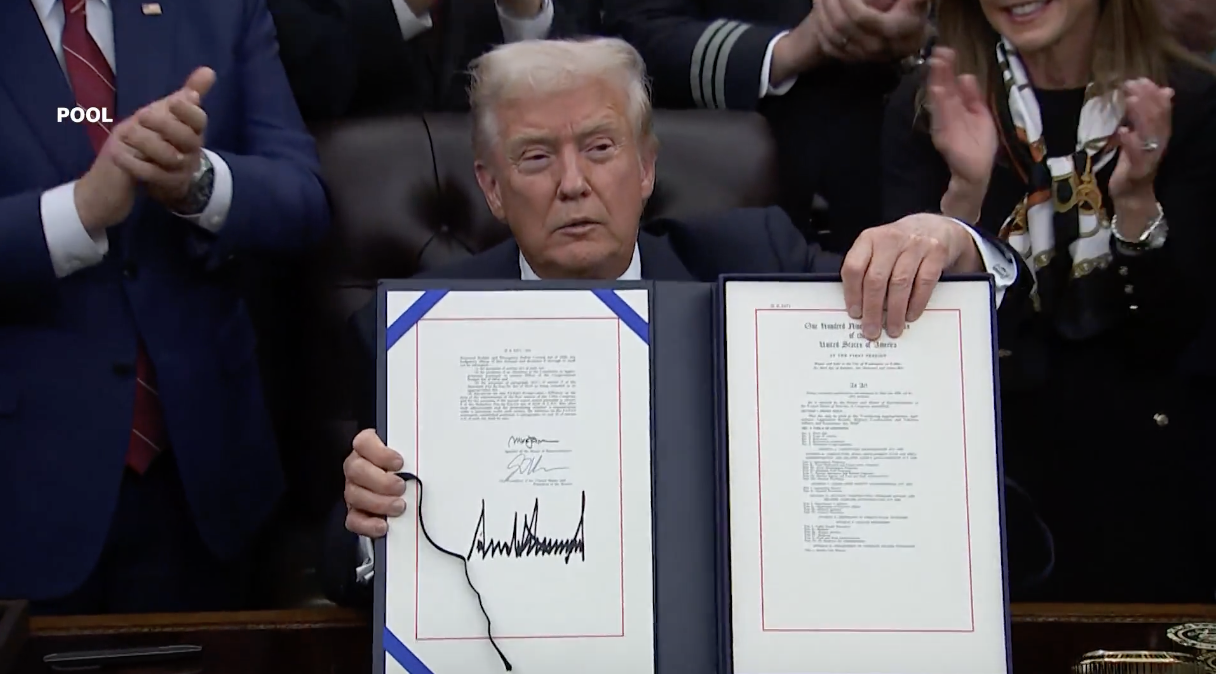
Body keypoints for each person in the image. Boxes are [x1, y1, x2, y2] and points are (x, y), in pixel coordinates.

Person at [317, 37, 1032, 606]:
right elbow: (339, 559)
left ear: (646, 168)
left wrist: (953, 239)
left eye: (600, 148)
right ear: (492, 188)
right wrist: (370, 525)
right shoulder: (417, 331)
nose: (573, 184)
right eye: (535, 157)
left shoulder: (755, 261)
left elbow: (905, 326)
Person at [0, 0, 329, 613]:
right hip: (26, 490)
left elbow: (303, 200)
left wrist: (197, 182)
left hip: (207, 479)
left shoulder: (218, 10)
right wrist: (78, 211)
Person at [880, 0, 1215, 602]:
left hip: (1145, 462)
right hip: (988, 465)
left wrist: (1135, 202)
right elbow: (904, 340)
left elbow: (1171, 338)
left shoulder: (1186, 100)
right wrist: (964, 201)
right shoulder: (931, 101)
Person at [602, 0, 932, 251]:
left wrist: (927, 26)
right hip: (746, 218)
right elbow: (632, 38)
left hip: (926, 190)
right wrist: (785, 51)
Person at [266, 0, 596, 121]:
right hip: (357, 211)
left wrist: (524, 15)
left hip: (505, 202)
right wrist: (404, 7)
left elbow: (588, 86)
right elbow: (307, 83)